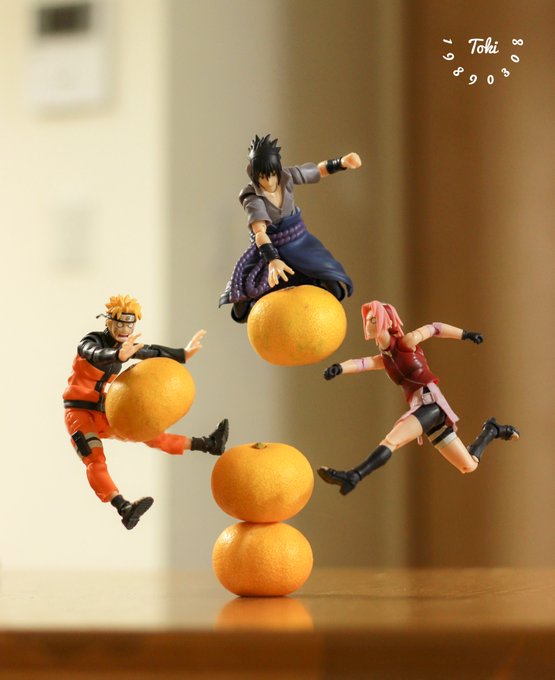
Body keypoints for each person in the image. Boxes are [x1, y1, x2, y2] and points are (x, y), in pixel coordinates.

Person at [318, 300, 519, 495]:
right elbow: (362, 363)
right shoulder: (385, 359)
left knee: (392, 441)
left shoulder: (406, 343)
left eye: (373, 320)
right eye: (368, 320)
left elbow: (435, 328)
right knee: (468, 466)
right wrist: (339, 368)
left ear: (387, 322)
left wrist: (465, 334)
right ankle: (491, 430)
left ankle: (353, 476)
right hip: (425, 411)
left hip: (430, 405)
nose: (368, 325)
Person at [63, 294, 229, 529]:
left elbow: (150, 351)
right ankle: (123, 508)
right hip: (79, 413)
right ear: (109, 322)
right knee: (95, 459)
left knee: (148, 434)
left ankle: (209, 444)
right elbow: (92, 352)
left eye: (130, 324)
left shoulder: (124, 347)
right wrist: (117, 356)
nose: (125, 330)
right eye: (120, 323)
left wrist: (182, 354)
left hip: (105, 411)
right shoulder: (92, 341)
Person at [219, 134, 361, 322]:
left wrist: (341, 162)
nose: (269, 181)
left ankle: (315, 308)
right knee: (243, 297)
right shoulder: (252, 197)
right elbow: (259, 232)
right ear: (252, 173)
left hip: (298, 239)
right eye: (262, 176)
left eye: (272, 174)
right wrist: (272, 260)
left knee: (331, 277)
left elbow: (318, 170)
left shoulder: (287, 176)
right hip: (268, 245)